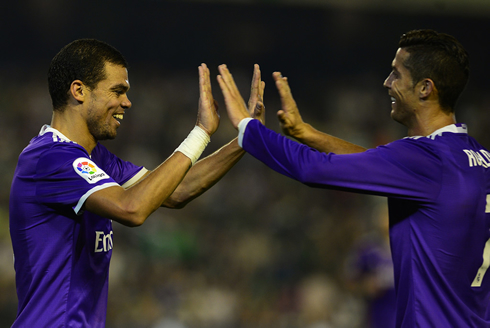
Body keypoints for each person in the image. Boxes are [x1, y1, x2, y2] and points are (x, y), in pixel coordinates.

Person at [217, 29, 490, 327]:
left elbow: (313, 169)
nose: (387, 83)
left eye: (396, 75)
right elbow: (380, 165)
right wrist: (308, 134)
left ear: (425, 88)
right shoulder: (476, 160)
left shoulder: (425, 159)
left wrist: (248, 128)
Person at [9, 39, 264, 327]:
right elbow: (132, 208)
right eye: (117, 91)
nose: (127, 102)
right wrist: (202, 132)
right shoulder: (49, 158)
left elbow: (175, 190)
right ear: (78, 91)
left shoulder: (95, 160)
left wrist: (245, 139)